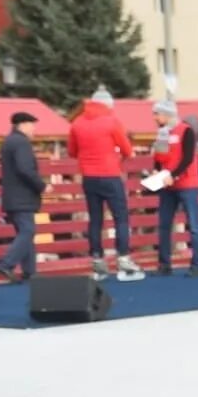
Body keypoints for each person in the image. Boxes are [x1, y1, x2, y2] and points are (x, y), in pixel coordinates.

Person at [67, 86, 139, 281]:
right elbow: (127, 148)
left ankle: (98, 259)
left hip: (89, 177)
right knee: (120, 217)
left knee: (95, 219)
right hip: (110, 174)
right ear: (108, 105)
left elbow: (72, 151)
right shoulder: (112, 121)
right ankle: (123, 258)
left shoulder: (77, 123)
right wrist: (118, 157)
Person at [151, 100, 198, 277]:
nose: (155, 118)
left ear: (167, 115)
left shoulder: (185, 131)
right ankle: (164, 264)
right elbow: (159, 157)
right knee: (164, 224)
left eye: (157, 114)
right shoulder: (161, 134)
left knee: (194, 225)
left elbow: (188, 158)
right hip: (167, 185)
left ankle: (196, 264)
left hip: (186, 184)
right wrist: (156, 172)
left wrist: (173, 175)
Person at [0, 111, 45, 284]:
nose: (34, 129)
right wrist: (41, 185)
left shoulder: (8, 142)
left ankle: (30, 272)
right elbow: (25, 169)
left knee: (25, 233)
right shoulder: (22, 143)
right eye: (32, 125)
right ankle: (6, 264)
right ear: (23, 124)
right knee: (27, 231)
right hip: (23, 196)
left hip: (11, 196)